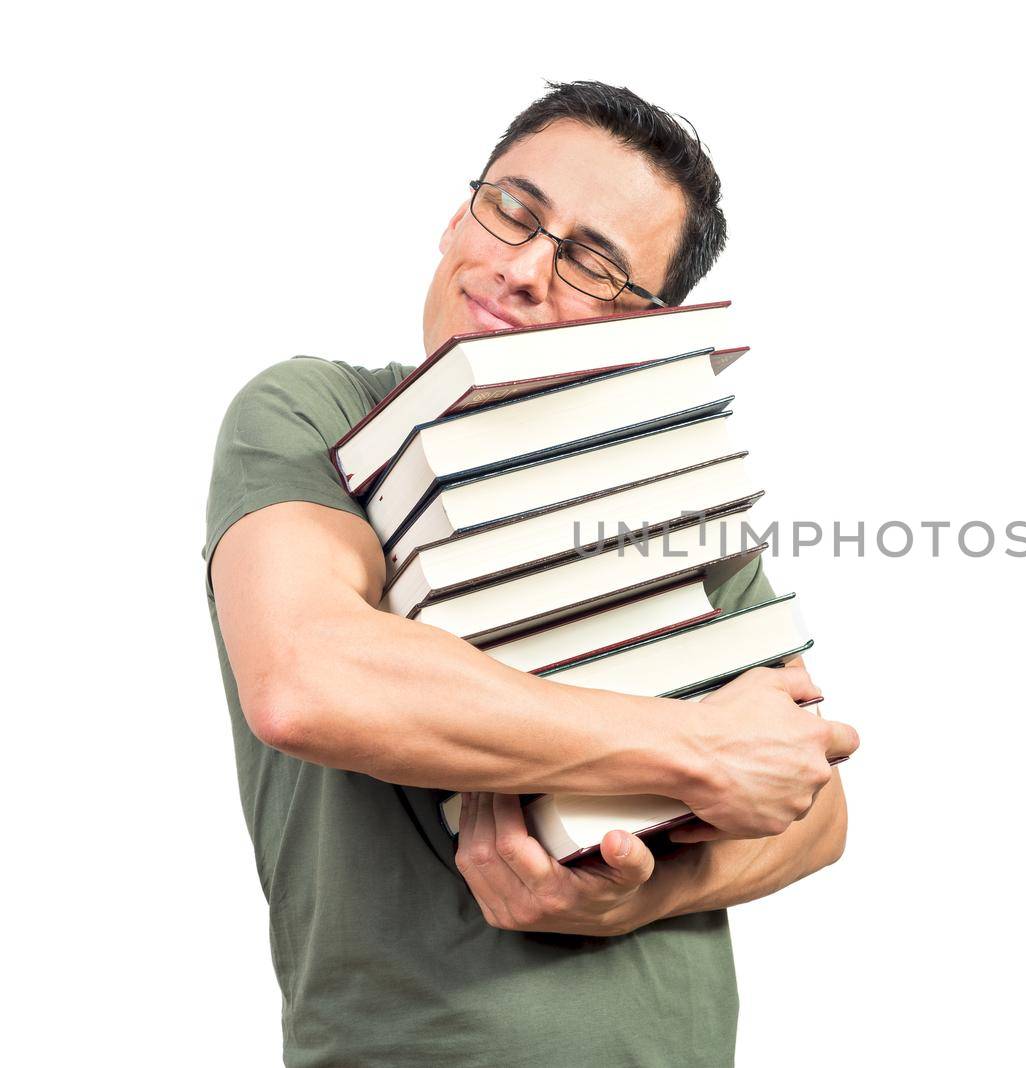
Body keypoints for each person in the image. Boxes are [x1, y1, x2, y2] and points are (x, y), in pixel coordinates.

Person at [202, 80, 860, 1068]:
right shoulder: (315, 415)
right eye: (513, 209)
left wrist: (642, 894)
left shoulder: (667, 490)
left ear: (643, 332)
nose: (521, 271)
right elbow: (308, 680)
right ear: (457, 213)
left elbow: (810, 802)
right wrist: (692, 752)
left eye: (592, 262)